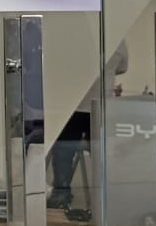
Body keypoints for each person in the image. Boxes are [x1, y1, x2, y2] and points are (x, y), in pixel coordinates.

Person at [48, 38, 129, 216]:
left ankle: (61, 192)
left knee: (63, 151)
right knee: (101, 153)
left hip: (74, 104)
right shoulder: (118, 40)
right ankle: (106, 195)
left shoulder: (76, 39)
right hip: (102, 105)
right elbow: (123, 67)